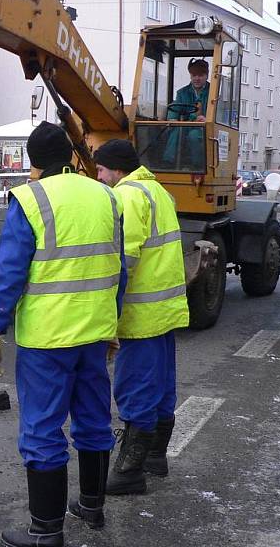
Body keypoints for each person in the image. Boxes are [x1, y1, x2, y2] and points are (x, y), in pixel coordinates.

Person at [0, 121, 127, 547]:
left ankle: (46, 532)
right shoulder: (104, 195)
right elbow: (118, 265)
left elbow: (8, 273)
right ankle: (92, 507)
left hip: (48, 338)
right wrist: (111, 323)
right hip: (95, 332)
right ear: (71, 156)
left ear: (33, 163)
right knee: (95, 420)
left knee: (43, 429)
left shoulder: (30, 199)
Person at [93, 139, 190, 496]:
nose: (99, 177)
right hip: (163, 308)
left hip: (139, 313)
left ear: (117, 168)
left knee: (136, 388)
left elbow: (124, 260)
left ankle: (129, 471)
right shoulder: (157, 191)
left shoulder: (128, 196)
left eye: (101, 170)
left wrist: (107, 311)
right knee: (162, 386)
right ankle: (154, 457)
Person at [162, 58, 210, 170]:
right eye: (194, 75)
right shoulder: (182, 93)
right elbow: (175, 108)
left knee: (194, 136)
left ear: (206, 76)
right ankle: (168, 162)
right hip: (186, 125)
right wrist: (172, 119)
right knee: (176, 130)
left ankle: (197, 166)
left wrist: (207, 118)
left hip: (204, 128)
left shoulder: (213, 92)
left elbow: (219, 112)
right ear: (190, 76)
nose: (197, 78)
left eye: (200, 75)